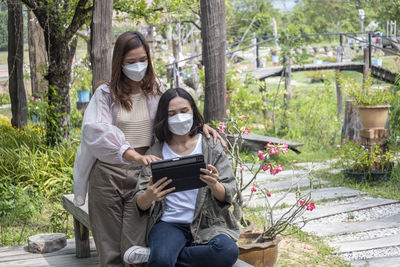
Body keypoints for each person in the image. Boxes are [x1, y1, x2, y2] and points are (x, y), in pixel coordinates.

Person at [72, 32, 224, 267]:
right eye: (131, 62)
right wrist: (133, 155)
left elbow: (176, 109)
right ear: (119, 62)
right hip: (109, 175)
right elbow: (96, 132)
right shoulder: (105, 94)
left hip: (145, 175)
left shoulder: (156, 90)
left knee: (136, 248)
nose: (138, 66)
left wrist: (201, 125)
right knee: (109, 248)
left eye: (142, 59)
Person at [124, 88, 240, 267]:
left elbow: (229, 193)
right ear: (164, 117)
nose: (179, 117)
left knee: (227, 252)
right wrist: (150, 196)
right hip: (169, 224)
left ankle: (155, 256)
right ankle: (161, 256)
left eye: (184, 111)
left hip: (208, 223)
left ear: (193, 111)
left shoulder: (211, 146)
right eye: (172, 114)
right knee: (162, 261)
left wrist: (215, 185)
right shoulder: (155, 152)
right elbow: (140, 202)